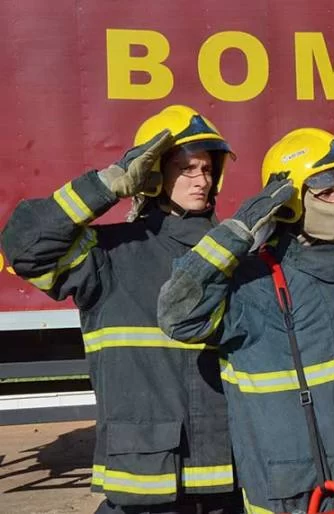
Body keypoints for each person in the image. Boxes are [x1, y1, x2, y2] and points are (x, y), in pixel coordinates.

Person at [157, 128, 334, 514]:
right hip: (290, 499)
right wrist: (240, 228)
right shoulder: (249, 287)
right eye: (326, 192)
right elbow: (177, 314)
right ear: (291, 203)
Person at [1, 105, 240, 514]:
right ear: (153, 175)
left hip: (229, 484)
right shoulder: (110, 255)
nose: (201, 180)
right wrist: (106, 185)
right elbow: (24, 247)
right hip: (144, 488)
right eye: (185, 168)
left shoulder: (233, 256)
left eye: (206, 168)